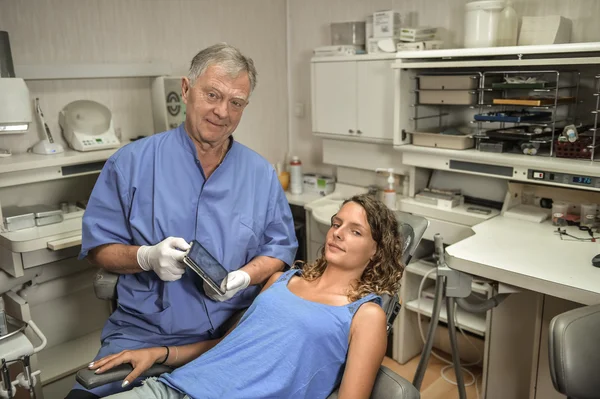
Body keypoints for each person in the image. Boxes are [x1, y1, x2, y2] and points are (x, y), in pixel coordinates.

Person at [67, 43, 298, 399]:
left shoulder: (260, 174)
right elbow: (99, 249)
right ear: (187, 90)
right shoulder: (131, 163)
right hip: (145, 332)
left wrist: (245, 276)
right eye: (212, 95)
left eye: (236, 102)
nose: (223, 112)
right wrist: (145, 257)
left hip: (230, 334)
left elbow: (280, 248)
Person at [91, 194, 405, 399]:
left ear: (376, 250)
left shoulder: (365, 315)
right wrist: (159, 353)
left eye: (355, 231)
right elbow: (228, 345)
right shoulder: (281, 280)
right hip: (171, 388)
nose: (337, 232)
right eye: (337, 223)